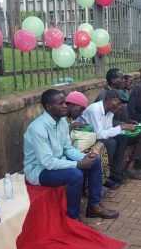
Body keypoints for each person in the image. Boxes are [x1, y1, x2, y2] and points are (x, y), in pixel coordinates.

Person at [23, 89, 119, 220]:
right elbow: (47, 162)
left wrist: (84, 158)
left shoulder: (61, 121)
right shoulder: (38, 128)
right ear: (49, 106)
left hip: (57, 161)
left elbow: (67, 148)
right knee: (76, 175)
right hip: (39, 171)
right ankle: (72, 216)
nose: (65, 106)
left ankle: (93, 206)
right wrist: (78, 164)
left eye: (65, 102)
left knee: (94, 160)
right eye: (61, 103)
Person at [82, 90, 141, 181]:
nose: (120, 107)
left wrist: (125, 130)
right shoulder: (95, 110)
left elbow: (108, 130)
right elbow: (98, 135)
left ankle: (116, 172)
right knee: (111, 143)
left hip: (98, 136)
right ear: (109, 101)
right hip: (88, 138)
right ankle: (105, 177)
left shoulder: (109, 111)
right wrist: (121, 127)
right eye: (119, 103)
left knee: (123, 138)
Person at [65, 91, 110, 187]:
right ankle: (89, 188)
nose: (81, 113)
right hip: (68, 150)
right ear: (73, 105)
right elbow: (62, 139)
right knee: (94, 154)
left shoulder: (70, 117)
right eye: (80, 110)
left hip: (73, 147)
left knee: (100, 147)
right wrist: (71, 127)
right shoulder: (61, 118)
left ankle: (100, 184)